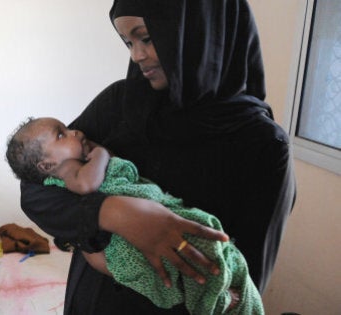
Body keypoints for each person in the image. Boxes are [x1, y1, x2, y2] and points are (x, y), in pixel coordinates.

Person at [18, 1, 295, 314]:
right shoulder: (119, 104)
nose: (137, 56)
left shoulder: (261, 144)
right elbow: (35, 185)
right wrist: (115, 213)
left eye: (147, 38)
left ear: (199, 31)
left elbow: (244, 282)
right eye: (128, 43)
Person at [6, 117, 263, 314]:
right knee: (187, 254)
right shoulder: (70, 171)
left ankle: (218, 291)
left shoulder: (71, 162)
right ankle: (217, 297)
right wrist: (102, 155)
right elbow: (87, 185)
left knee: (188, 259)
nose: (75, 131)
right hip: (122, 238)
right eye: (61, 134)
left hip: (127, 227)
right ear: (47, 166)